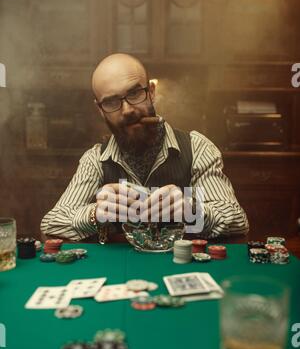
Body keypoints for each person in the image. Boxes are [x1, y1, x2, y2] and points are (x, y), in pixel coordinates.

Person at [41, 53, 249, 242]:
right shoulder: (95, 159)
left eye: (134, 94)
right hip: (119, 277)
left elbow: (238, 222)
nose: (128, 110)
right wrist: (95, 214)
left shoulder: (198, 148)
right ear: (100, 110)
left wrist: (191, 209)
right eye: (112, 102)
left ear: (151, 92)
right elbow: (51, 224)